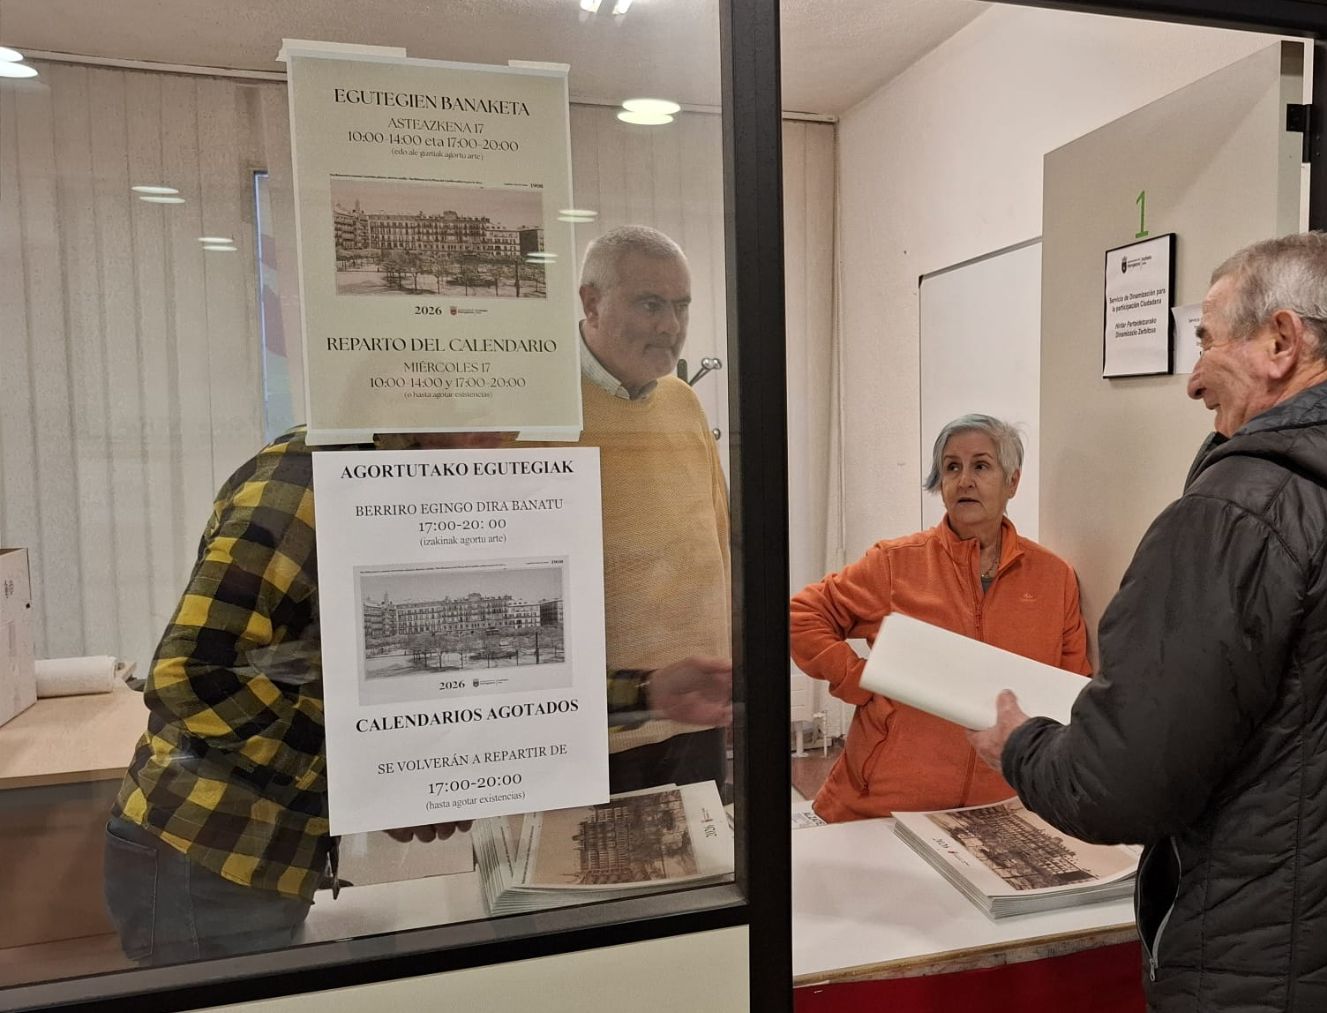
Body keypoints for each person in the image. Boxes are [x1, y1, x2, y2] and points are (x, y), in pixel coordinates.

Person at [970, 232, 1327, 1011]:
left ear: (1282, 341)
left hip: (1265, 980)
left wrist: (1020, 745)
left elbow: (1116, 785)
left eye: (1205, 340)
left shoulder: (1242, 512)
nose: (1194, 379)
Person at [105, 427, 733, 966]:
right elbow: (193, 676)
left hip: (260, 854)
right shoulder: (310, 477)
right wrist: (377, 786)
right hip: (208, 853)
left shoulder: (422, 486)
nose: (502, 440)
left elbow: (484, 670)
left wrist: (647, 691)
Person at [791, 414, 1089, 822]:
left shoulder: (1054, 577)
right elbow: (802, 615)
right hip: (880, 805)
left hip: (1000, 807)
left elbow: (1072, 691)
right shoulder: (895, 563)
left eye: (981, 466)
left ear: (1012, 482)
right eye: (952, 467)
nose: (964, 480)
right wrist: (859, 679)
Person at [538, 225, 735, 790]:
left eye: (681, 306)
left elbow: (718, 542)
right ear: (591, 303)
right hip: (591, 727)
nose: (670, 325)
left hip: (693, 715)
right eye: (651, 304)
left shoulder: (683, 401)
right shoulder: (537, 408)